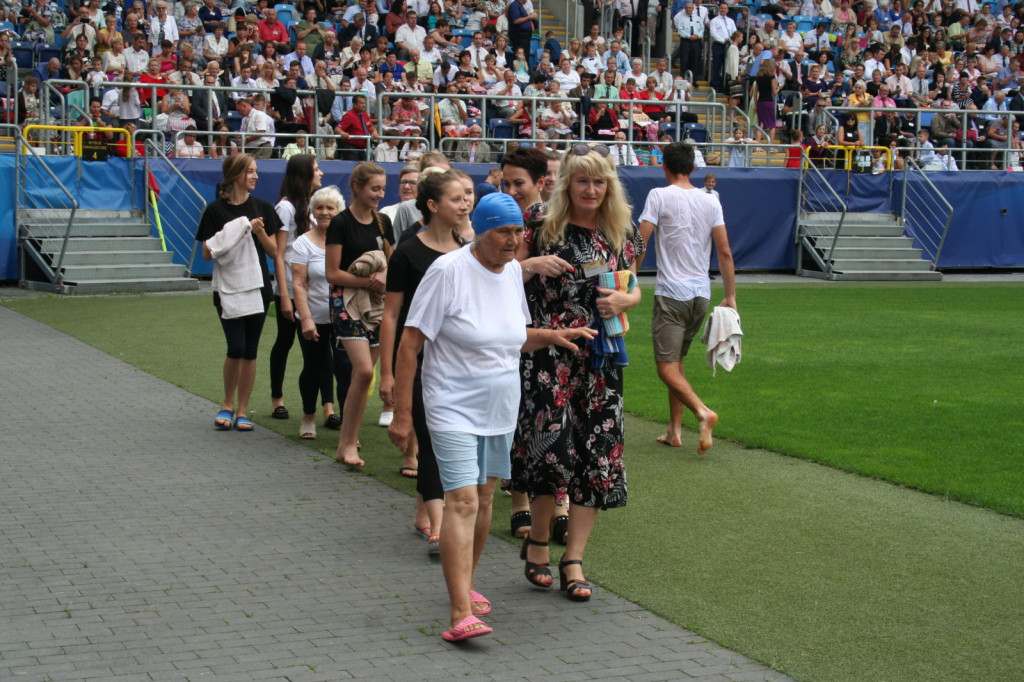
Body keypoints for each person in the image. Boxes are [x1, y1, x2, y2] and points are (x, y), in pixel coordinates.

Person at [388, 192, 595, 641]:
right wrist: (402, 413)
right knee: (461, 502)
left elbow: (514, 337)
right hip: (450, 406)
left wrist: (551, 335)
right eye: (504, 231)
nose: (513, 240)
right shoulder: (448, 271)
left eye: (519, 231)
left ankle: (465, 584)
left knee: (483, 503)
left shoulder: (510, 276)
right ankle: (459, 611)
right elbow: (410, 344)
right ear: (479, 232)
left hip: (500, 409)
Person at [511, 144, 646, 602]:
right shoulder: (539, 226)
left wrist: (628, 300)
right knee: (552, 452)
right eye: (583, 181)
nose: (591, 189)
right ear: (567, 183)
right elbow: (497, 277)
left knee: (597, 457)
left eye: (600, 181)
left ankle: (574, 557)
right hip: (550, 357)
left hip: (602, 360)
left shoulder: (622, 234)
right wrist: (529, 265)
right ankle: (536, 544)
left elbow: (632, 286)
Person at [379, 170, 468, 556]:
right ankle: (439, 525)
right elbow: (391, 315)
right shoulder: (408, 252)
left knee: (447, 439)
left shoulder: (468, 250)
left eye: (468, 197)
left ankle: (423, 514)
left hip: (458, 364)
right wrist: (387, 374)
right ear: (432, 206)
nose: (465, 204)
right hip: (417, 361)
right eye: (456, 198)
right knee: (431, 441)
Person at [638, 142, 735, 453]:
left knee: (666, 368)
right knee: (677, 364)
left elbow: (642, 240)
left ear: (664, 166)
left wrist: (628, 281)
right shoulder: (711, 201)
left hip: (671, 294)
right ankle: (674, 430)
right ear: (694, 168)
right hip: (700, 296)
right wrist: (731, 295)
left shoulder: (658, 195)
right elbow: (725, 251)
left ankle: (703, 413)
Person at [195, 154, 282, 432]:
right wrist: (231, 232)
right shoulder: (214, 210)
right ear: (235, 175)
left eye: (256, 171)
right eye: (250, 172)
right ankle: (227, 404)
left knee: (251, 350)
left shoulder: (263, 207)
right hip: (227, 288)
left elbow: (274, 251)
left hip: (258, 288)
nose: (256, 176)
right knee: (236, 347)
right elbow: (207, 254)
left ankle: (243, 410)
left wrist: (258, 233)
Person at [326, 162, 395, 467]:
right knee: (365, 372)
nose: (380, 194)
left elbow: (394, 265)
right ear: (357, 187)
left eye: (382, 188)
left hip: (377, 303)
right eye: (374, 189)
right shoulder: (340, 222)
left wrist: (385, 277)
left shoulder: (383, 222)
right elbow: (332, 273)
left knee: (361, 376)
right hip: (347, 302)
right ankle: (348, 442)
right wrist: (369, 280)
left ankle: (346, 443)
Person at [268, 155, 328, 424]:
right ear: (304, 175)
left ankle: (327, 406)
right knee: (284, 342)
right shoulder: (287, 208)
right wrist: (284, 296)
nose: (321, 173)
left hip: (312, 291)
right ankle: (277, 399)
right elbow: (279, 254)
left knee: (317, 348)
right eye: (316, 169)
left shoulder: (314, 207)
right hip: (291, 290)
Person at [290, 185, 347, 441]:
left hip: (345, 318)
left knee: (346, 370)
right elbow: (299, 283)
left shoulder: (347, 239)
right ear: (313, 211)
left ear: (339, 211)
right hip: (313, 318)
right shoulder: (303, 242)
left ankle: (348, 424)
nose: (324, 212)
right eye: (320, 208)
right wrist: (306, 319)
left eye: (330, 208)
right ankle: (309, 415)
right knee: (312, 368)